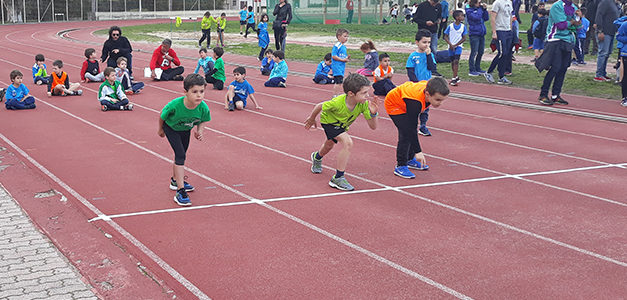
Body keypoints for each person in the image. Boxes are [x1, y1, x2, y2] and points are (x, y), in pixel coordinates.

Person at [305, 73, 379, 191]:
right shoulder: (337, 102)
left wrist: (373, 113)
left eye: (367, 92)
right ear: (351, 94)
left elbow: (373, 127)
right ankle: (338, 178)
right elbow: (319, 106)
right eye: (364, 93)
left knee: (328, 145)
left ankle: (317, 157)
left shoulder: (363, 104)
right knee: (347, 142)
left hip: (342, 125)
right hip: (329, 122)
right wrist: (311, 118)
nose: (367, 96)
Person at [158, 73, 211, 206]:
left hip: (185, 130)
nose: (199, 95)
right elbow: (163, 116)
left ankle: (175, 181)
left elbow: (203, 120)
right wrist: (160, 129)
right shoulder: (175, 105)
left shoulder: (203, 107)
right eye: (194, 92)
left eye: (201, 91)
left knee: (181, 155)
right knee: (180, 155)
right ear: (185, 92)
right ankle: (180, 191)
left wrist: (199, 131)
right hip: (171, 128)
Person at [385, 77, 449, 179]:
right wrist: (418, 152)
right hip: (394, 104)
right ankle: (401, 165)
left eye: (442, 100)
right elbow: (412, 128)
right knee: (405, 133)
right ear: (427, 94)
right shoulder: (415, 102)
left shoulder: (429, 89)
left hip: (406, 101)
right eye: (437, 100)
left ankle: (410, 159)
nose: (440, 103)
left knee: (409, 131)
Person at [537, 0, 581, 105]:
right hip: (555, 40)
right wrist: (572, 23)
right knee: (555, 67)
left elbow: (578, 27)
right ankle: (543, 94)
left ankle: (555, 95)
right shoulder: (557, 6)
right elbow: (561, 25)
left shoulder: (574, 8)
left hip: (568, 41)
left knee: (563, 68)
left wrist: (579, 18)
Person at [406, 29, 437, 136]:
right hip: (415, 86)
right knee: (415, 107)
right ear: (417, 42)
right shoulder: (413, 56)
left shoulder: (430, 55)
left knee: (426, 108)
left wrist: (429, 55)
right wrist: (416, 84)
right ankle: (411, 124)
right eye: (424, 42)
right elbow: (410, 71)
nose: (427, 45)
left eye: (429, 42)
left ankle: (423, 126)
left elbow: (432, 67)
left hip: (427, 86)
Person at [483, 0, 514, 85]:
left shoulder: (509, 2)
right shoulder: (497, 3)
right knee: (501, 53)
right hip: (500, 30)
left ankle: (501, 76)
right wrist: (494, 32)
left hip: (508, 31)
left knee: (506, 54)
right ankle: (489, 72)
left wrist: (510, 29)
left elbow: (510, 16)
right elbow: (492, 17)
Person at [594, 0, 620, 82]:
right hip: (605, 32)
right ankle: (598, 75)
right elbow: (599, 15)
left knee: (607, 53)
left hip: (611, 32)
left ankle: (603, 73)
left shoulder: (614, 4)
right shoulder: (605, 2)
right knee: (603, 53)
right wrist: (600, 31)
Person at [443, 10, 468, 86]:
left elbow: (464, 38)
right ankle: (456, 76)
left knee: (456, 61)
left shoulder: (463, 27)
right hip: (451, 46)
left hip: (458, 47)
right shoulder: (450, 26)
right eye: (462, 16)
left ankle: (454, 78)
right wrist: (450, 44)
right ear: (457, 17)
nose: (463, 17)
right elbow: (445, 36)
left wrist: (456, 45)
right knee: (452, 62)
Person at [466, 0, 490, 76]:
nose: (480, 4)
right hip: (474, 34)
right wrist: (480, 9)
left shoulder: (480, 10)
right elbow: (477, 17)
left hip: (481, 33)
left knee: (481, 51)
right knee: (474, 52)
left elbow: (486, 18)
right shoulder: (469, 11)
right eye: (479, 2)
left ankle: (478, 67)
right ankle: (471, 69)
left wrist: (485, 10)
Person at [332, 29, 351, 95]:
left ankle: (336, 94)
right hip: (337, 67)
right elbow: (333, 56)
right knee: (338, 82)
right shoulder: (337, 46)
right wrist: (342, 60)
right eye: (345, 36)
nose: (346, 38)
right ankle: (335, 95)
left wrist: (346, 59)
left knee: (340, 82)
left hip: (341, 67)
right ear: (339, 36)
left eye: (347, 36)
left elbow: (342, 57)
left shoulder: (344, 47)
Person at [616, 14, 627, 106]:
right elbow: (618, 37)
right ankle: (625, 97)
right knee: (626, 76)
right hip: (626, 52)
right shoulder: (625, 25)